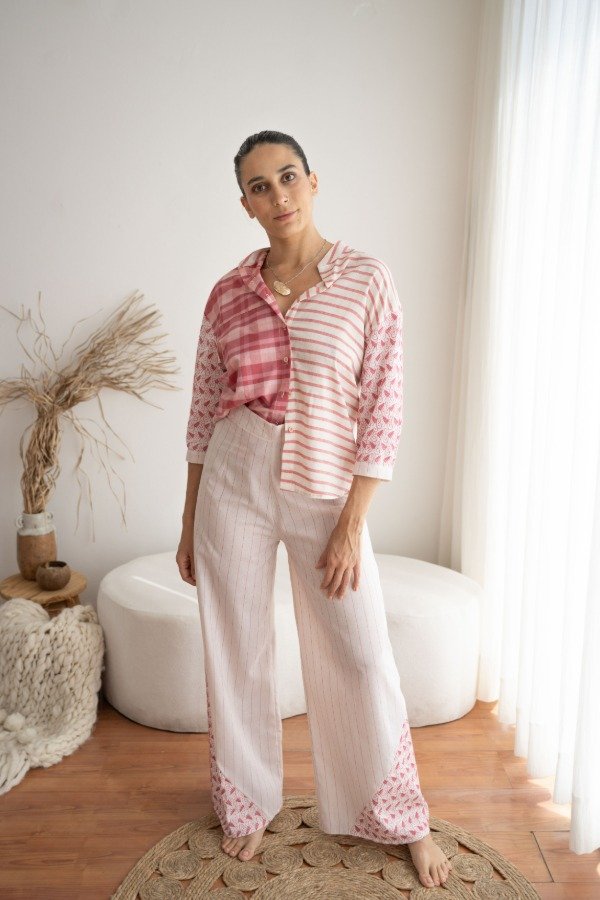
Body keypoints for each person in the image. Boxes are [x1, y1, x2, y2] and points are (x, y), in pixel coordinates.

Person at [176, 130, 452, 889]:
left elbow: (384, 407)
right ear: (244, 204)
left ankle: (399, 816)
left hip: (327, 489)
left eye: (288, 176)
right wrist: (189, 519)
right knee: (235, 646)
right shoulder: (227, 293)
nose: (278, 195)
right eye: (259, 186)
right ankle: (247, 804)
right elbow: (201, 413)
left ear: (313, 181)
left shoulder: (366, 279)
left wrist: (353, 522)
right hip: (234, 477)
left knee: (360, 652)